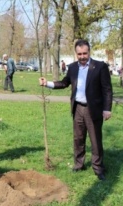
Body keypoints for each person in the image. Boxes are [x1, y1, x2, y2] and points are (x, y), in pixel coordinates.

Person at [39, 39, 113, 181]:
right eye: (79, 54)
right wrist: (46, 83)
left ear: (89, 52)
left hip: (94, 109)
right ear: (76, 53)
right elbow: (64, 83)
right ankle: (79, 164)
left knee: (95, 140)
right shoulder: (72, 67)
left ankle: (98, 168)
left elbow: (107, 90)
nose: (82, 56)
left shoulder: (100, 67)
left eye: (85, 53)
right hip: (77, 107)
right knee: (78, 138)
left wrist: (107, 109)